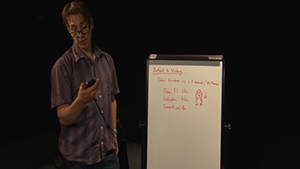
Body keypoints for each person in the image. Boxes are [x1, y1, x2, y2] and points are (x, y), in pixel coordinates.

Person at [51, 1, 120, 168]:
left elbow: (111, 100)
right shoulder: (62, 67)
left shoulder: (106, 60)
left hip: (107, 155)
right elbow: (63, 117)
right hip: (78, 160)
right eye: (73, 29)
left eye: (83, 27)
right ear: (67, 29)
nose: (80, 34)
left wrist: (114, 136)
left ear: (91, 23)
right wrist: (80, 101)